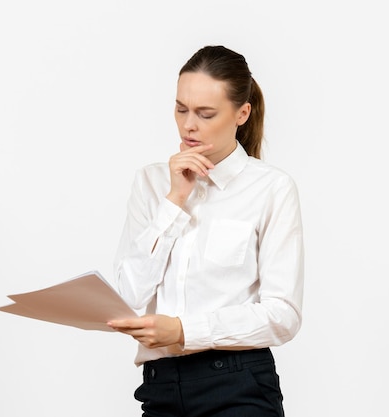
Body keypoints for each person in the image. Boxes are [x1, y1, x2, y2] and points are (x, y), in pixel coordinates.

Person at [108, 45, 304, 417]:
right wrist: (174, 201)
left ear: (242, 113)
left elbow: (283, 315)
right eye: (180, 109)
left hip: (238, 384)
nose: (188, 125)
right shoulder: (151, 183)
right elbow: (130, 294)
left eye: (205, 113)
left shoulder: (272, 189)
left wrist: (184, 331)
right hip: (160, 386)